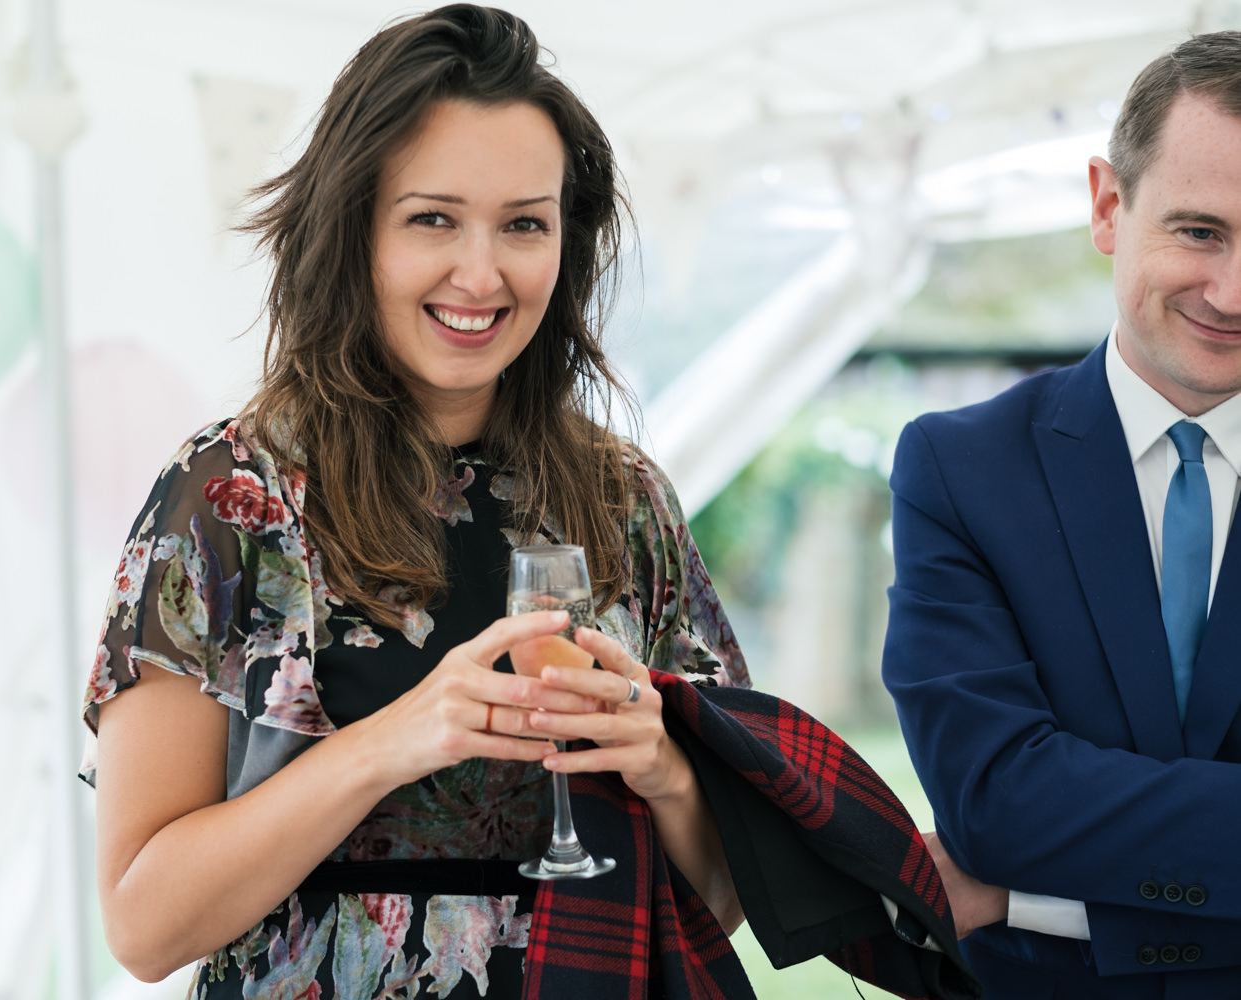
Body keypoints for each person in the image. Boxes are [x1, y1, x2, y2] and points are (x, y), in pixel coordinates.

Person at [81, 7, 972, 999]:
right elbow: (143, 924)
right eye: (433, 218)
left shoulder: (624, 499)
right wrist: (398, 737)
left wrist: (664, 771)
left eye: (524, 224)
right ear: (353, 228)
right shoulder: (232, 497)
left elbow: (714, 904)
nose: (483, 271)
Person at [883, 30, 1241, 999]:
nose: (1232, 292)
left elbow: (1010, 847)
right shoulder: (959, 469)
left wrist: (1027, 896)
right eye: (1201, 232)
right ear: (1108, 206)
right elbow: (993, 805)